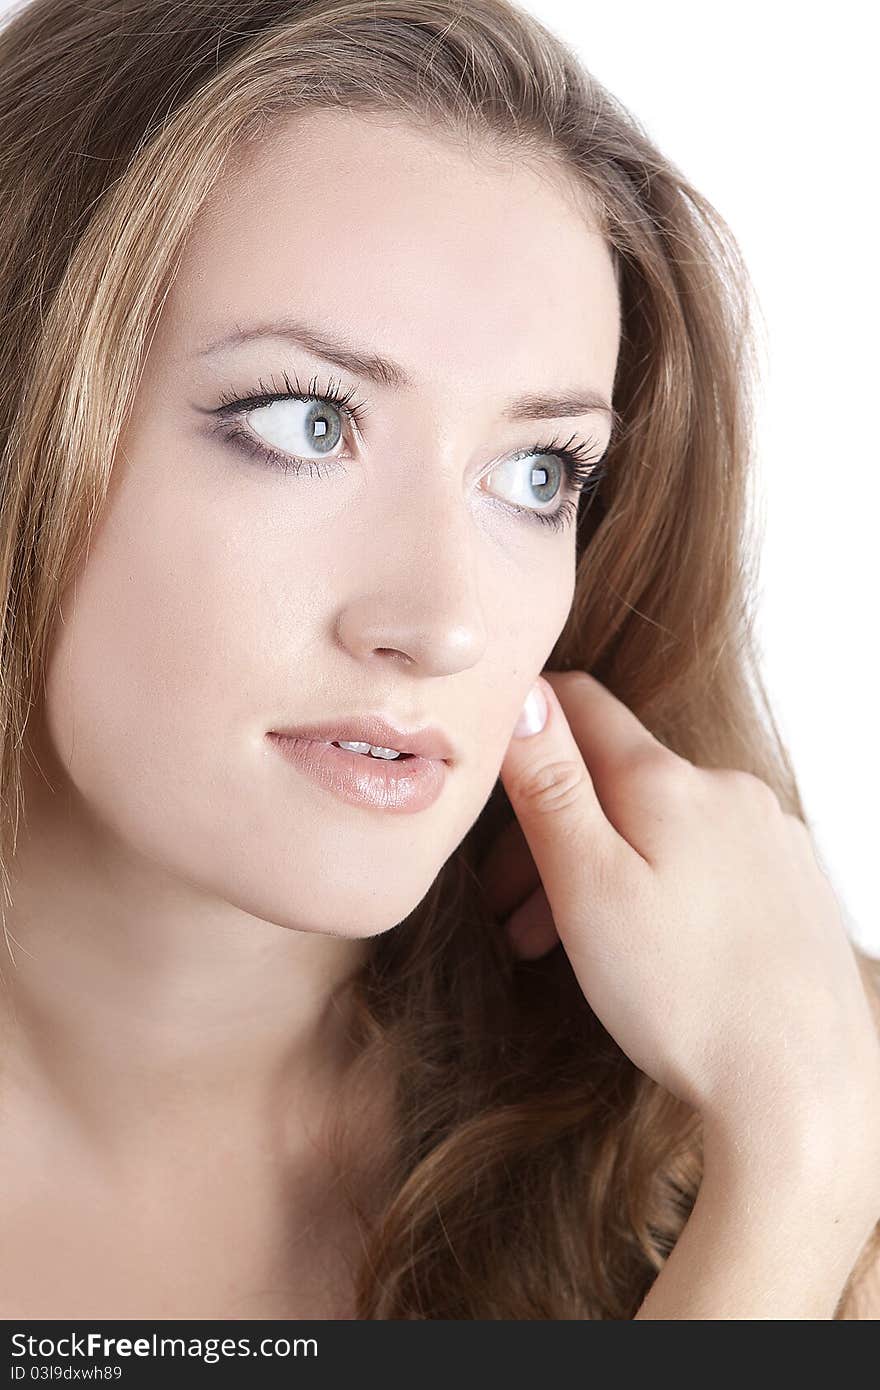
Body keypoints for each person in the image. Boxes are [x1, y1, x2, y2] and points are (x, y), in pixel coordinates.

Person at [0, 0, 877, 1321]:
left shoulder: (792, 1096)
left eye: (535, 473)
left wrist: (800, 1148)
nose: (444, 621)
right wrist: (787, 1206)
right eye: (307, 421)